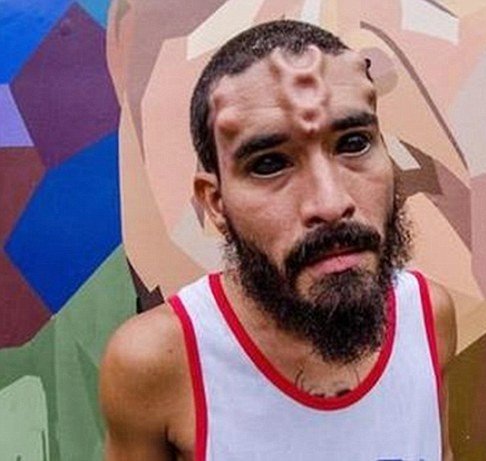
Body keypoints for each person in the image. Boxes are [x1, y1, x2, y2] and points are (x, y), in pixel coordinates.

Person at [100, 19, 456, 461]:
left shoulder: (428, 316)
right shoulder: (157, 362)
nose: (331, 204)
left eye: (354, 143)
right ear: (215, 203)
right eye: (269, 164)